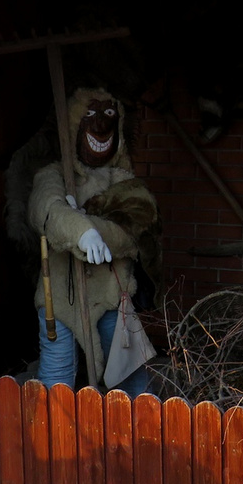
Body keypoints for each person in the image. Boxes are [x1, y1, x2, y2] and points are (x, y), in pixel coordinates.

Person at [29, 88, 160, 393]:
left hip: (111, 296)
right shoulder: (54, 175)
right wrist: (80, 232)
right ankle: (54, 440)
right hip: (59, 298)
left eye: (108, 115)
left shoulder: (124, 182)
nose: (100, 125)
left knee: (131, 380)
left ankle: (140, 438)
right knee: (56, 378)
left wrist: (89, 225)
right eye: (89, 115)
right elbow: (45, 211)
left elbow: (133, 230)